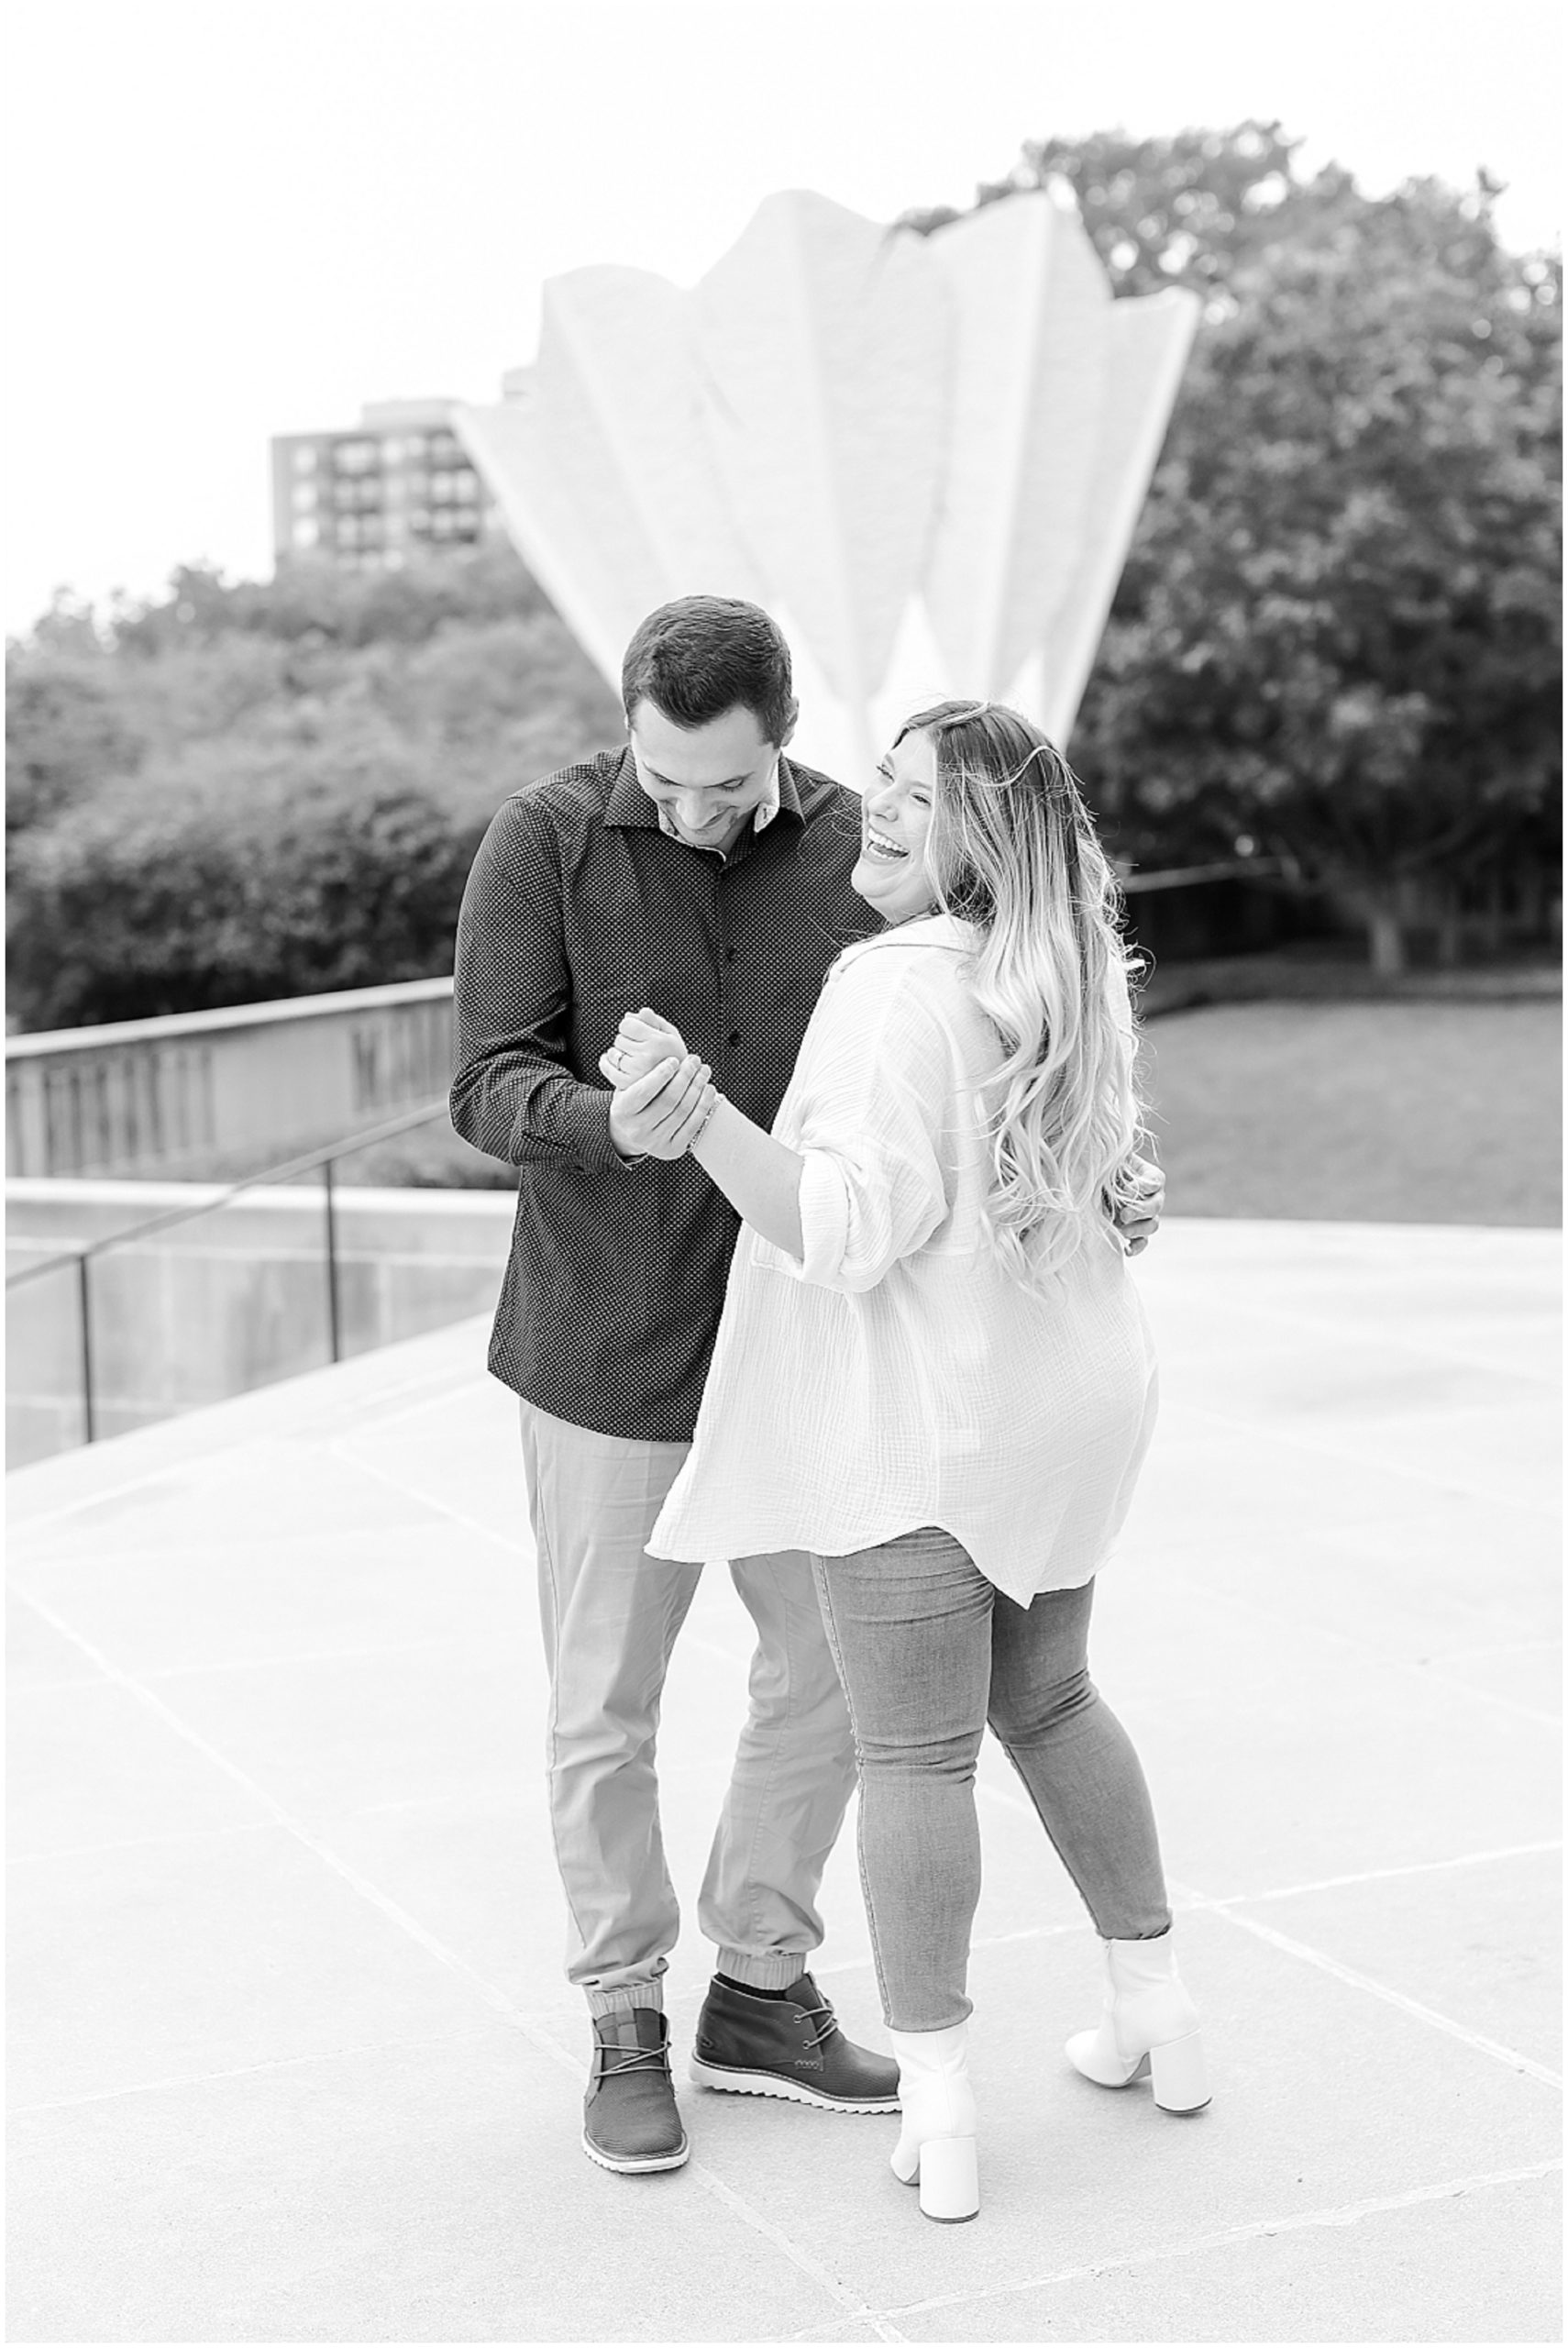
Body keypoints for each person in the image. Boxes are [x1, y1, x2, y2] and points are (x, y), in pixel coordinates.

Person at [450, 603, 1165, 2179]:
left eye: (723, 783)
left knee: (835, 1685)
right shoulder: (545, 842)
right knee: (603, 1712)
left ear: (782, 735)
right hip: (607, 1354)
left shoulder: (869, 854)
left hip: (819, 1365)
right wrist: (607, 1120)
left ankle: (758, 1987)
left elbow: (991, 1047)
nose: (692, 812)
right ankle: (625, 2011)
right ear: (629, 728)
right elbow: (486, 1078)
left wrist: (1094, 1175)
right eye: (663, 780)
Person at [611, 701, 1202, 2226]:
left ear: (976, 842)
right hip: (1067, 1403)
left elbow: (839, 1228)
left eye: (912, 799)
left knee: (916, 1757)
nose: (872, 812)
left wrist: (698, 1123)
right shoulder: (1056, 976)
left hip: (940, 1429)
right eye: (878, 785)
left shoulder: (891, 985)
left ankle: (937, 2110)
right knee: (1052, 1697)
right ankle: (1159, 2014)